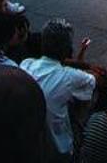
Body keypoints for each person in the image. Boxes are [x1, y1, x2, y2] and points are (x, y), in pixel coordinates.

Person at [21, 17, 97, 159]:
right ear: (67, 49)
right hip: (58, 150)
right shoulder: (70, 77)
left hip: (28, 145)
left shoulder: (26, 65)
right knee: (90, 93)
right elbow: (92, 81)